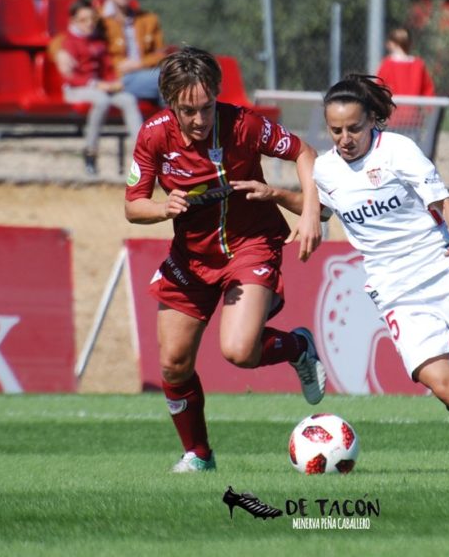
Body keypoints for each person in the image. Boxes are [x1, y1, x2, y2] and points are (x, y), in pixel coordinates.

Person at [246, 74, 449, 477]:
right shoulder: (325, 170)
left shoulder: (398, 151)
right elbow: (320, 211)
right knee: (445, 386)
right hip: (394, 291)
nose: (345, 138)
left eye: (354, 128)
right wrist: (276, 194)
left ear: (373, 120)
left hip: (441, 268)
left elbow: (446, 203)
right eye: (336, 130)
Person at [124, 46, 325, 473]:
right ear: (170, 104)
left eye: (206, 107)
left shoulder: (246, 124)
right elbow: (133, 205)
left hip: (250, 244)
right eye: (188, 110)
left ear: (217, 96)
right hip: (191, 256)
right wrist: (163, 208)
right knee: (173, 364)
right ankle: (198, 454)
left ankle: (297, 347)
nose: (199, 120)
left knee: (238, 351)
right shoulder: (153, 135)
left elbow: (304, 153)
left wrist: (309, 212)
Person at [50, 0, 142, 176]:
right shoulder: (69, 42)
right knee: (101, 101)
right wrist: (95, 84)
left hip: (100, 88)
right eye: (83, 20)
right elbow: (71, 76)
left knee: (128, 100)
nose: (89, 24)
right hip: (77, 90)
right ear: (73, 22)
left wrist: (114, 81)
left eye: (91, 19)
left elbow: (106, 68)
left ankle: (143, 153)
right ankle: (90, 151)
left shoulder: (98, 42)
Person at [98, 0, 165, 104]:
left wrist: (139, 64)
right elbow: (63, 40)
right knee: (168, 80)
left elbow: (161, 55)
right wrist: (61, 54)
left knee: (171, 80)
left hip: (146, 75)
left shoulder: (148, 19)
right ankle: (175, 125)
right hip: (116, 79)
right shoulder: (98, 20)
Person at [376, 28, 435, 97]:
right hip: (414, 106)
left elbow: (379, 87)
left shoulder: (387, 64)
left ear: (392, 43)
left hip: (393, 106)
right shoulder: (418, 64)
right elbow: (428, 90)